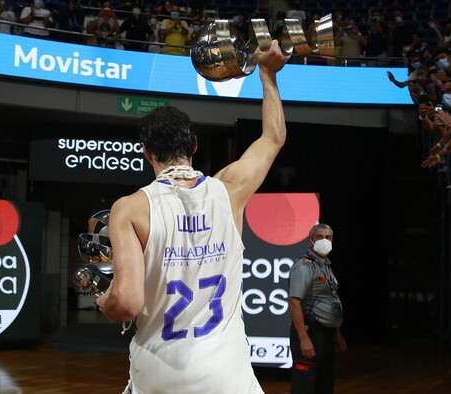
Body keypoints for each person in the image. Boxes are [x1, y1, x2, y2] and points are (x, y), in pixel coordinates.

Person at [95, 40, 287, 393]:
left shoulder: (131, 208)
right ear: (194, 145)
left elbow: (126, 303)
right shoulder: (229, 189)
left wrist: (104, 301)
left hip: (160, 371)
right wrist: (267, 74)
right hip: (225, 373)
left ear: (146, 152)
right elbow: (274, 137)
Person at [289, 223, 347, 394]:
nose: (324, 240)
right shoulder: (304, 266)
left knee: (324, 382)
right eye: (319, 237)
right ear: (310, 242)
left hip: (326, 332)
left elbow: (329, 300)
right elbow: (294, 302)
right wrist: (304, 338)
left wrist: (336, 331)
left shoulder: (326, 266)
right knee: (305, 385)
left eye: (328, 237)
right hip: (311, 331)